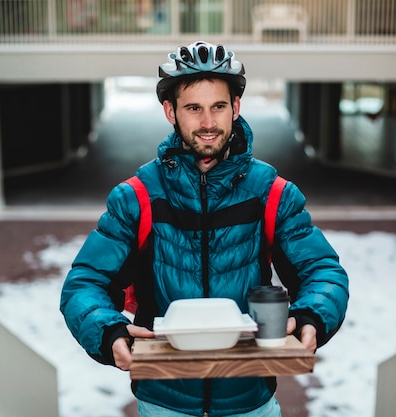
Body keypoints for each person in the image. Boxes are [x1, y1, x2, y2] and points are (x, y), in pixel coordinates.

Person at [60, 41, 349, 417]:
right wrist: (107, 330)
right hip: (164, 401)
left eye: (218, 106)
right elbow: (84, 282)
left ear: (236, 108)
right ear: (170, 111)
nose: (209, 123)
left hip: (250, 401)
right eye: (194, 108)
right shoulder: (138, 196)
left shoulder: (272, 193)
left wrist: (312, 314)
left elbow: (323, 271)